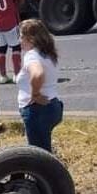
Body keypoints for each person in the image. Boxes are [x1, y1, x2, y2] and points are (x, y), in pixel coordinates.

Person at [15, 19, 62, 152]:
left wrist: (35, 94)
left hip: (37, 110)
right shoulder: (48, 54)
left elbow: (38, 74)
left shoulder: (31, 55)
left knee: (38, 158)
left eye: (21, 36)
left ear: (30, 39)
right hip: (53, 105)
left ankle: (48, 173)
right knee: (44, 151)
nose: (19, 40)